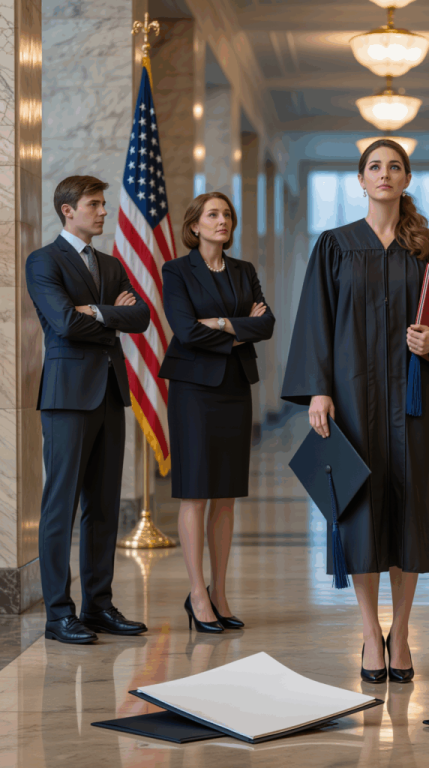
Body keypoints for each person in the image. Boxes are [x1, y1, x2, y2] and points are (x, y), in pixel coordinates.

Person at [281, 139, 429, 682]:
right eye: (374, 167)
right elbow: (315, 319)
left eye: (394, 167)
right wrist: (318, 389)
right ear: (360, 180)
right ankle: (370, 634)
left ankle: (403, 632)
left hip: (413, 400)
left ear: (407, 178)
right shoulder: (336, 246)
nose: (384, 174)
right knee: (360, 512)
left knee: (410, 512)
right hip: (353, 399)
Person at [26, 175, 151, 644]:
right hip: (66, 397)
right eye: (94, 204)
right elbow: (61, 323)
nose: (103, 211)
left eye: (103, 204)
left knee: (102, 506)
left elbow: (139, 316)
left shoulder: (111, 264)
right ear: (67, 210)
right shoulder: (43, 261)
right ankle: (59, 613)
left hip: (109, 395)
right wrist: (108, 314)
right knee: (59, 505)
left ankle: (99, 605)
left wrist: (94, 312)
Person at [159, 192, 275, 634]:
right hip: (192, 390)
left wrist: (222, 324)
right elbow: (185, 331)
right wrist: (239, 325)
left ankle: (220, 591)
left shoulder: (244, 271)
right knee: (195, 492)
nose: (222, 220)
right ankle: (196, 594)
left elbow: (265, 324)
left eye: (227, 214)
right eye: (213, 214)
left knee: (226, 494)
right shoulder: (177, 270)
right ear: (195, 226)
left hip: (234, 388)